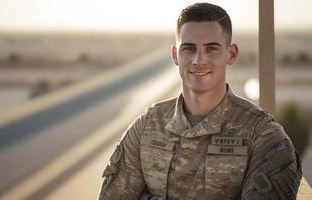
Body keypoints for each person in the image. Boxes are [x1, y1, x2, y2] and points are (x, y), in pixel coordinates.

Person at [98, 2, 302, 200]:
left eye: (211, 48)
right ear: (175, 55)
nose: (198, 59)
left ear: (231, 54)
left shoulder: (263, 136)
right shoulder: (145, 128)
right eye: (188, 48)